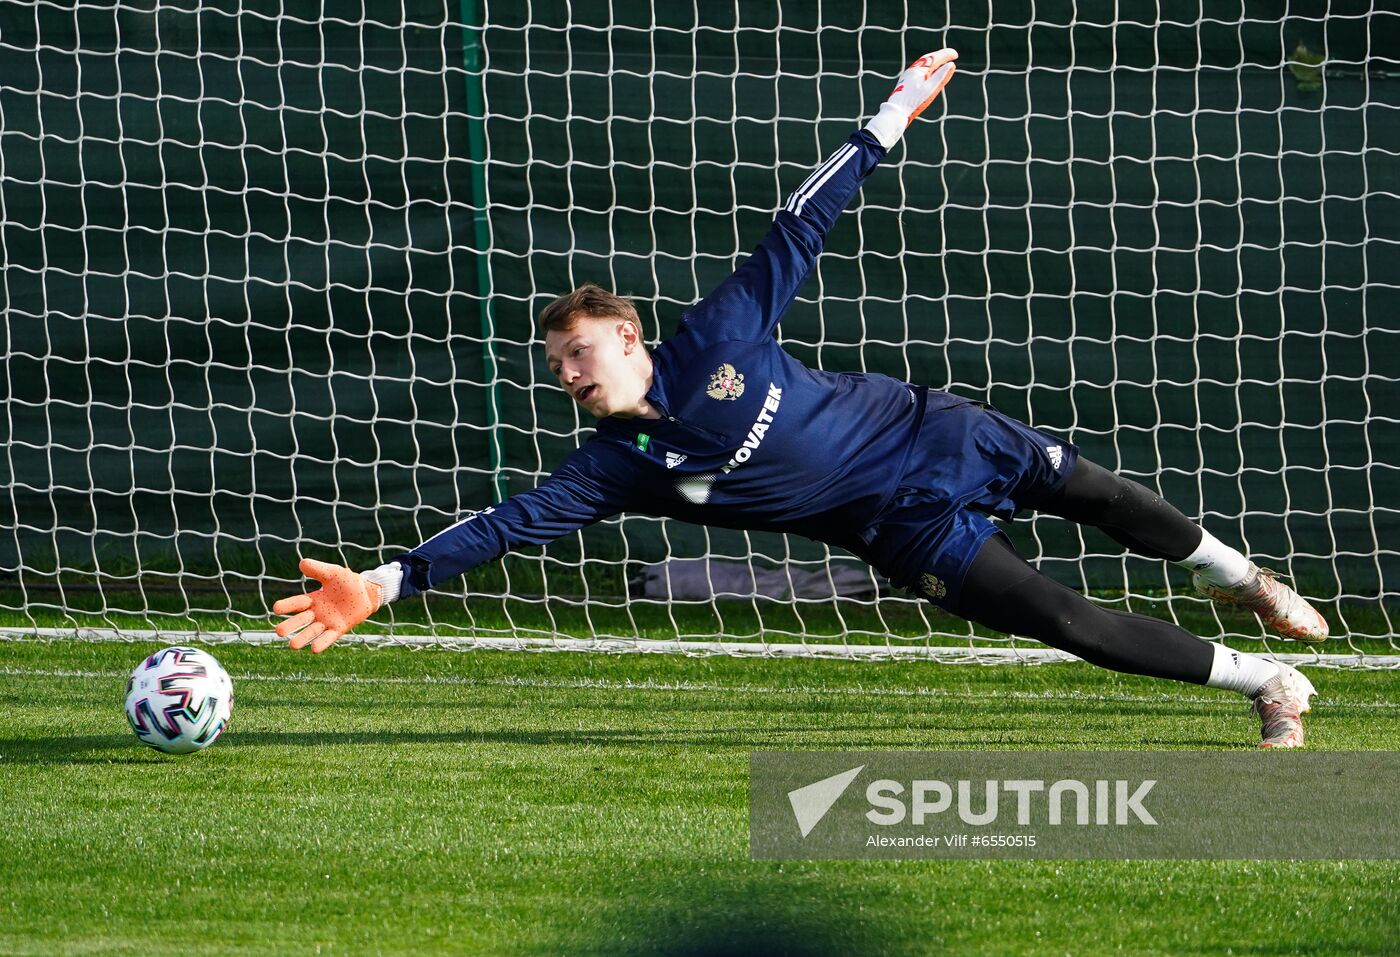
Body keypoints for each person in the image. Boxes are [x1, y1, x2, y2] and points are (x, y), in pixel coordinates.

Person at [274, 50, 1329, 748]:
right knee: (1059, 617)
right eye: (555, 364)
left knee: (1101, 496)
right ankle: (1261, 685)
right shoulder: (610, 471)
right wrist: (383, 582)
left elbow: (798, 222)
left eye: (580, 351)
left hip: (935, 435)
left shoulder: (719, 334)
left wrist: (888, 117)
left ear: (630, 339)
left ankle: (1241, 577)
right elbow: (503, 528)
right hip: (900, 532)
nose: (568, 372)